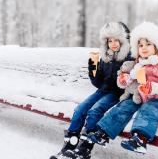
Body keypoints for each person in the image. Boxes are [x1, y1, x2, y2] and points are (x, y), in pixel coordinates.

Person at [88, 22, 158, 154]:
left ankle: (140, 140)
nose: (144, 48)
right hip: (143, 97)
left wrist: (154, 88)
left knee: (148, 110)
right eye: (141, 45)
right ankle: (103, 133)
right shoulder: (140, 63)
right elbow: (133, 78)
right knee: (124, 106)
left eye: (148, 44)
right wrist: (126, 80)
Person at [50, 22, 132, 159]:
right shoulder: (106, 56)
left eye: (116, 40)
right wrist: (93, 70)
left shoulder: (129, 57)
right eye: (110, 41)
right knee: (80, 110)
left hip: (117, 93)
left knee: (95, 111)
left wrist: (124, 78)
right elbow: (98, 83)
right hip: (102, 90)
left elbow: (128, 83)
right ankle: (69, 147)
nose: (113, 44)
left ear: (124, 40)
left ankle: (84, 149)